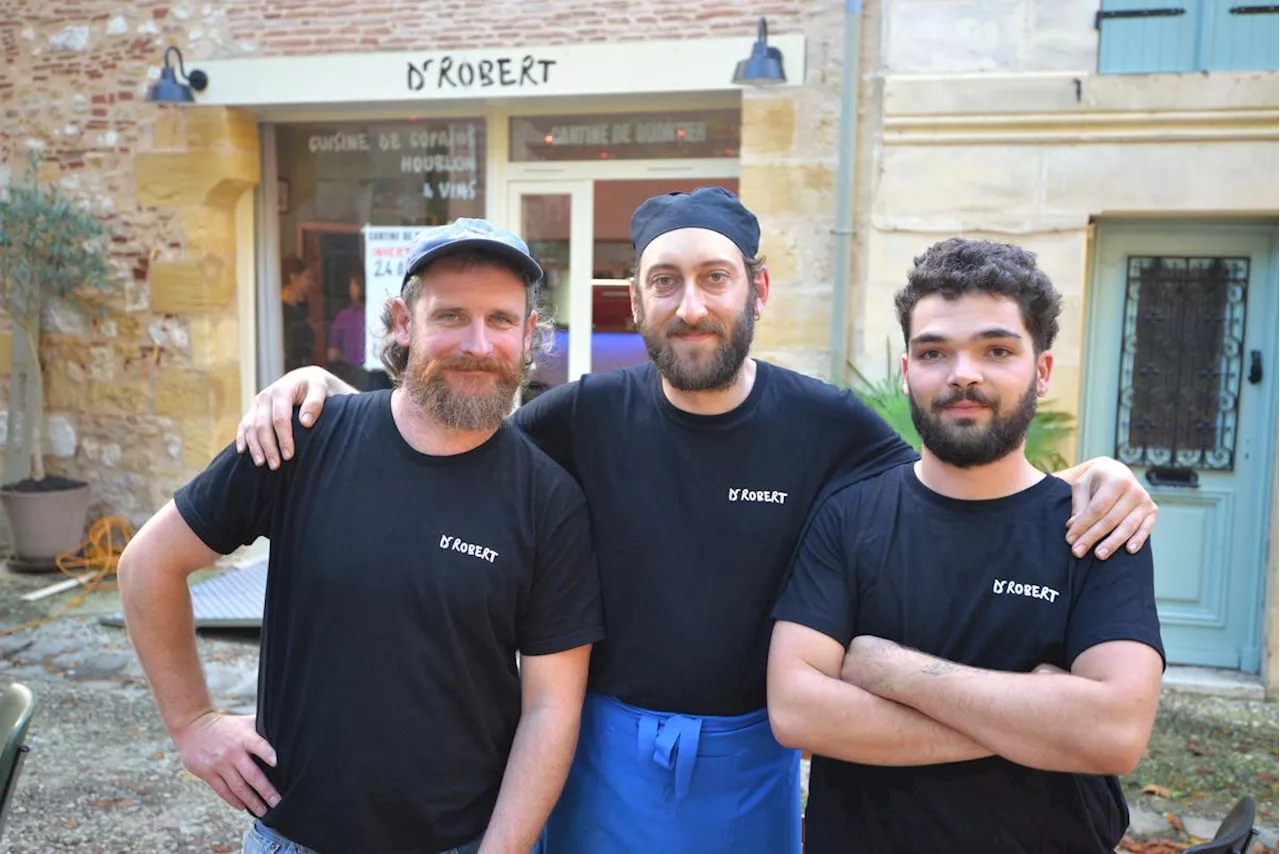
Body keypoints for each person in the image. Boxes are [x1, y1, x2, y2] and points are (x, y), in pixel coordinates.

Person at [234, 189, 1159, 854]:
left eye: (715, 278)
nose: (692, 305)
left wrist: (1089, 475)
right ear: (632, 301)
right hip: (594, 740)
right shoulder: (576, 417)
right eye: (665, 282)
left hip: (752, 752)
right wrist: (327, 392)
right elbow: (449, 435)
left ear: (754, 290)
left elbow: (959, 464)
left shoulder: (828, 425)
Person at [118, 219, 604, 854]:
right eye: (451, 316)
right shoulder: (303, 438)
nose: (478, 343)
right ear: (403, 322)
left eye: (502, 321)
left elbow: (550, 709)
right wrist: (193, 723)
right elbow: (148, 564)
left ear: (530, 335)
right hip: (292, 839)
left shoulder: (549, 500)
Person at [768, 238, 1165, 854]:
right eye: (934, 352)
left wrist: (889, 670)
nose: (963, 374)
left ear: (1043, 370)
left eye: (997, 349)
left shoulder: (1098, 526)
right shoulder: (848, 516)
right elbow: (797, 712)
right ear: (907, 374)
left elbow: (1114, 733)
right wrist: (1039, 718)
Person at [328, 265, 371, 390]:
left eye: (354, 284)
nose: (350, 288)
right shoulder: (382, 314)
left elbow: (332, 354)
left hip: (352, 378)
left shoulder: (344, 317)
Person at [281, 255, 316, 372]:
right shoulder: (280, 312)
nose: (311, 283)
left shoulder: (303, 309)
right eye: (308, 277)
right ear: (293, 278)